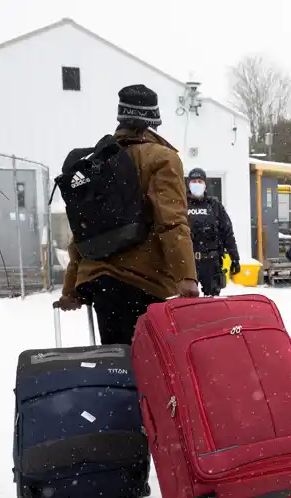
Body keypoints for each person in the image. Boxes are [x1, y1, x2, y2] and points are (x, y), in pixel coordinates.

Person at [55, 84, 200, 344]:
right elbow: (171, 221)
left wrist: (71, 288)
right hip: (140, 280)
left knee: (117, 365)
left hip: (97, 280)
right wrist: (186, 276)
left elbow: (83, 229)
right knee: (142, 369)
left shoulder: (97, 160)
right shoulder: (162, 158)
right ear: (152, 122)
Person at [185, 167, 240, 297]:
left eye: (200, 181)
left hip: (211, 262)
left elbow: (227, 233)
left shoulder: (214, 206)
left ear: (205, 184)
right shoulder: (182, 204)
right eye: (194, 181)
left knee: (212, 302)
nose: (197, 184)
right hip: (187, 263)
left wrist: (235, 259)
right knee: (187, 302)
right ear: (188, 184)